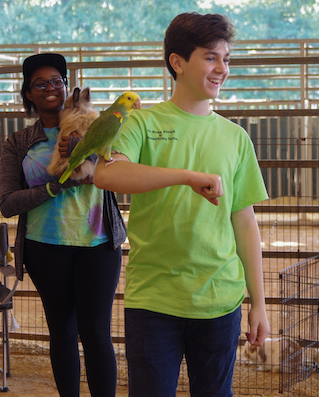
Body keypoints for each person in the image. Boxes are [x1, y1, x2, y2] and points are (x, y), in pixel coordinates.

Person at [93, 12, 270, 397]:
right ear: (178, 62)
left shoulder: (235, 137)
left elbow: (244, 223)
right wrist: (186, 176)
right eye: (210, 57)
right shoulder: (141, 123)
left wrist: (258, 301)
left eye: (226, 59)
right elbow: (108, 176)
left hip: (220, 300)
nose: (222, 68)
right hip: (154, 300)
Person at [0, 53, 126, 397]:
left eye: (57, 81)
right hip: (46, 247)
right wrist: (55, 186)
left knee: (97, 332)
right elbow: (8, 203)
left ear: (68, 87)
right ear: (29, 93)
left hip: (98, 244)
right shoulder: (18, 143)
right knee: (62, 332)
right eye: (40, 84)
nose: (50, 89)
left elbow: (118, 174)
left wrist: (88, 167)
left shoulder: (100, 125)